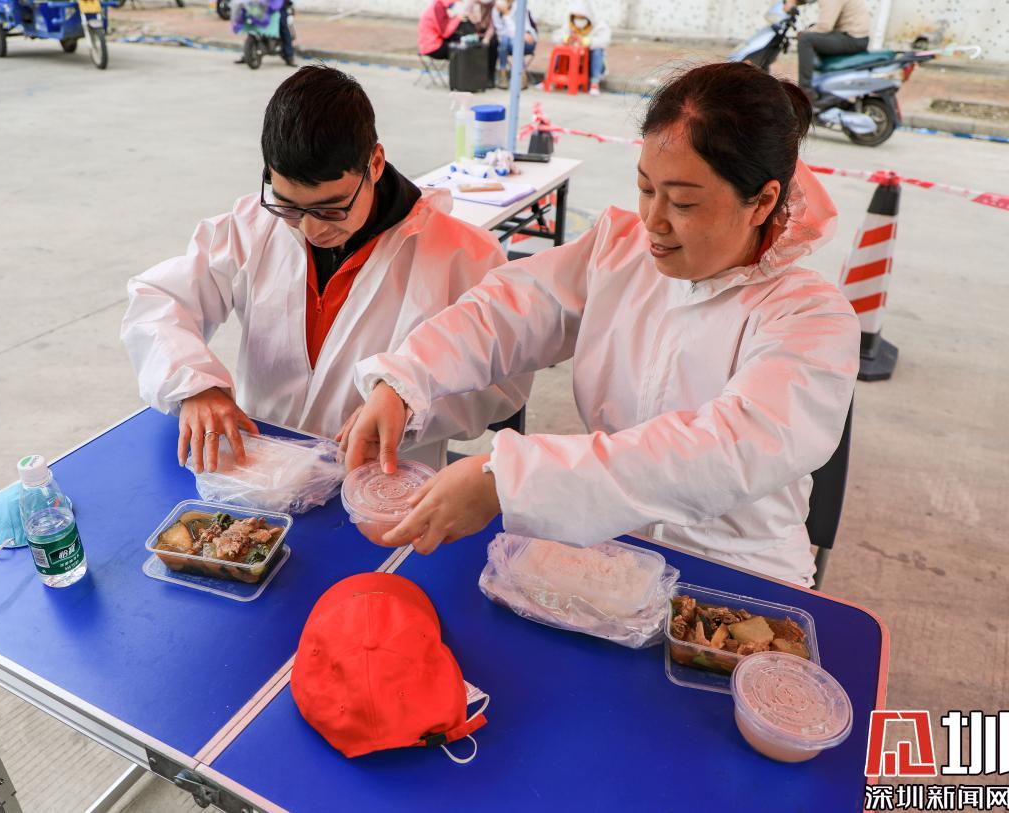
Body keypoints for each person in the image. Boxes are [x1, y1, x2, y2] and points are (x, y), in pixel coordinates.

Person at [341, 62, 860, 587]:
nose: (654, 221)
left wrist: (511, 480)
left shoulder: (811, 319)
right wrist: (405, 379)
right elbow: (506, 311)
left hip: (737, 574)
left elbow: (720, 452)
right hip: (614, 556)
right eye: (646, 189)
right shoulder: (620, 251)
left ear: (763, 201)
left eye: (683, 202)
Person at [121, 66, 530, 474]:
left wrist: (411, 404)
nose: (311, 229)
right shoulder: (252, 226)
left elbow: (502, 382)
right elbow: (159, 301)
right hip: (264, 475)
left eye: (331, 208)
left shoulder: (461, 255)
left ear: (375, 163)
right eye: (288, 206)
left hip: (378, 483)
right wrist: (194, 385)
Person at [784, 0, 871, 97]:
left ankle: (805, 92)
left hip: (853, 38)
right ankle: (821, 86)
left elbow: (824, 26)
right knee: (812, 33)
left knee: (805, 39)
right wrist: (794, 2)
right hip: (852, 36)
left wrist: (804, 33)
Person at [556, 0, 609, 95]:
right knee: (559, 48)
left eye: (582, 18)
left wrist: (587, 41)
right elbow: (555, 37)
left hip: (589, 65)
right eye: (577, 17)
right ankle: (552, 78)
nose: (579, 20)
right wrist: (566, 39)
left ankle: (594, 83)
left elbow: (604, 41)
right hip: (572, 64)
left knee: (598, 50)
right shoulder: (569, 25)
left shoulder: (598, 26)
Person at [491, 0, 538, 88]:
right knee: (505, 41)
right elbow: (501, 33)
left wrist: (506, 14)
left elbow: (525, 32)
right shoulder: (496, 10)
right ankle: (520, 76)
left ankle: (505, 76)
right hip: (508, 44)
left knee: (514, 42)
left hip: (527, 43)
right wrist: (505, 14)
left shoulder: (520, 7)